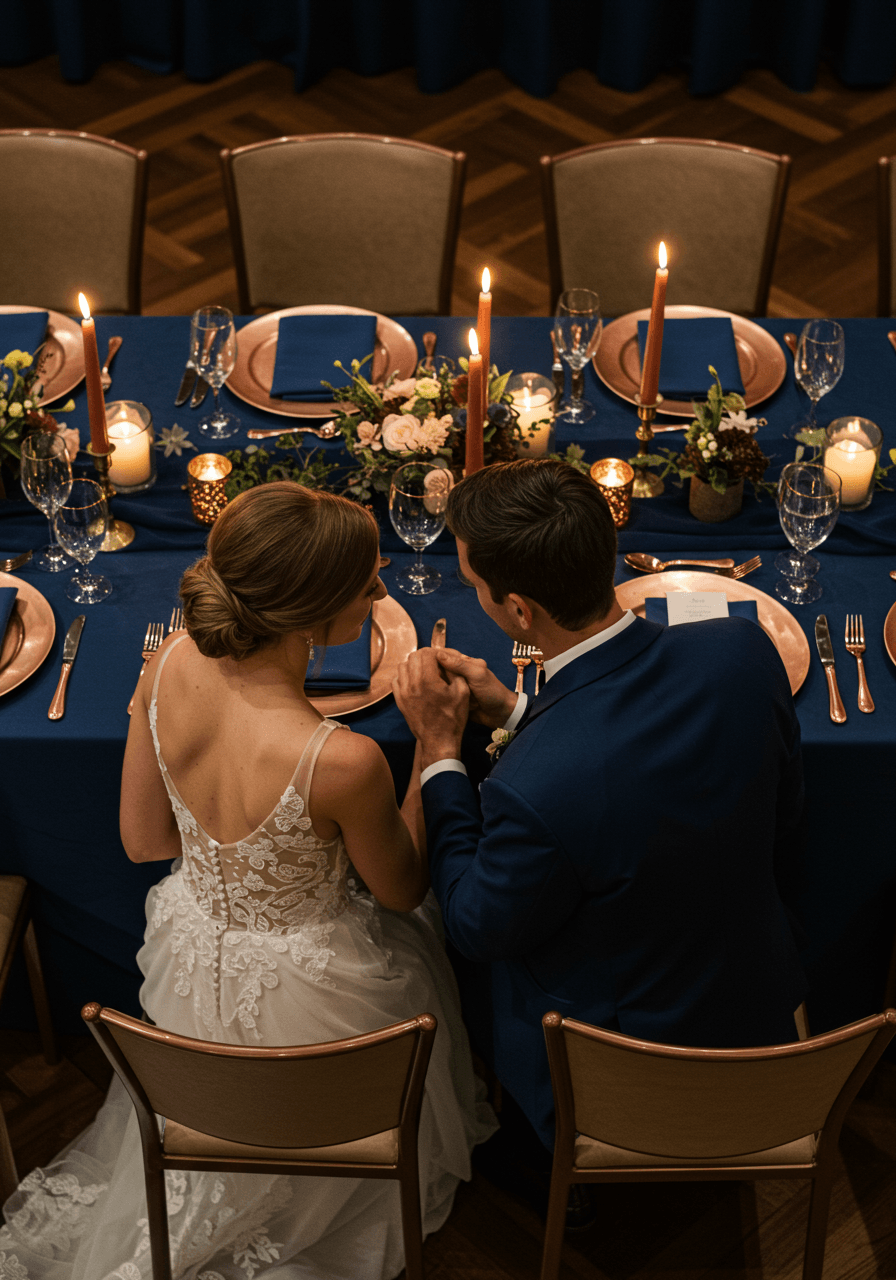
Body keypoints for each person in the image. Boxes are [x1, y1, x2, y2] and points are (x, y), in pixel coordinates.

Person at [1, 482, 494, 1280]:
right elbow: (402, 890)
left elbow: (143, 839)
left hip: (191, 964)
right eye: (367, 584)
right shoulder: (343, 760)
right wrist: (435, 749)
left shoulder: (168, 661)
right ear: (310, 617)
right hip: (323, 996)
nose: (383, 591)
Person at [393, 459, 807, 1153]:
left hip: (621, 1069)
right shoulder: (741, 648)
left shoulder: (532, 788)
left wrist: (439, 750)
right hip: (759, 993)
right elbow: (764, 808)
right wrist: (521, 711)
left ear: (520, 612)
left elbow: (475, 924)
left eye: (474, 585)